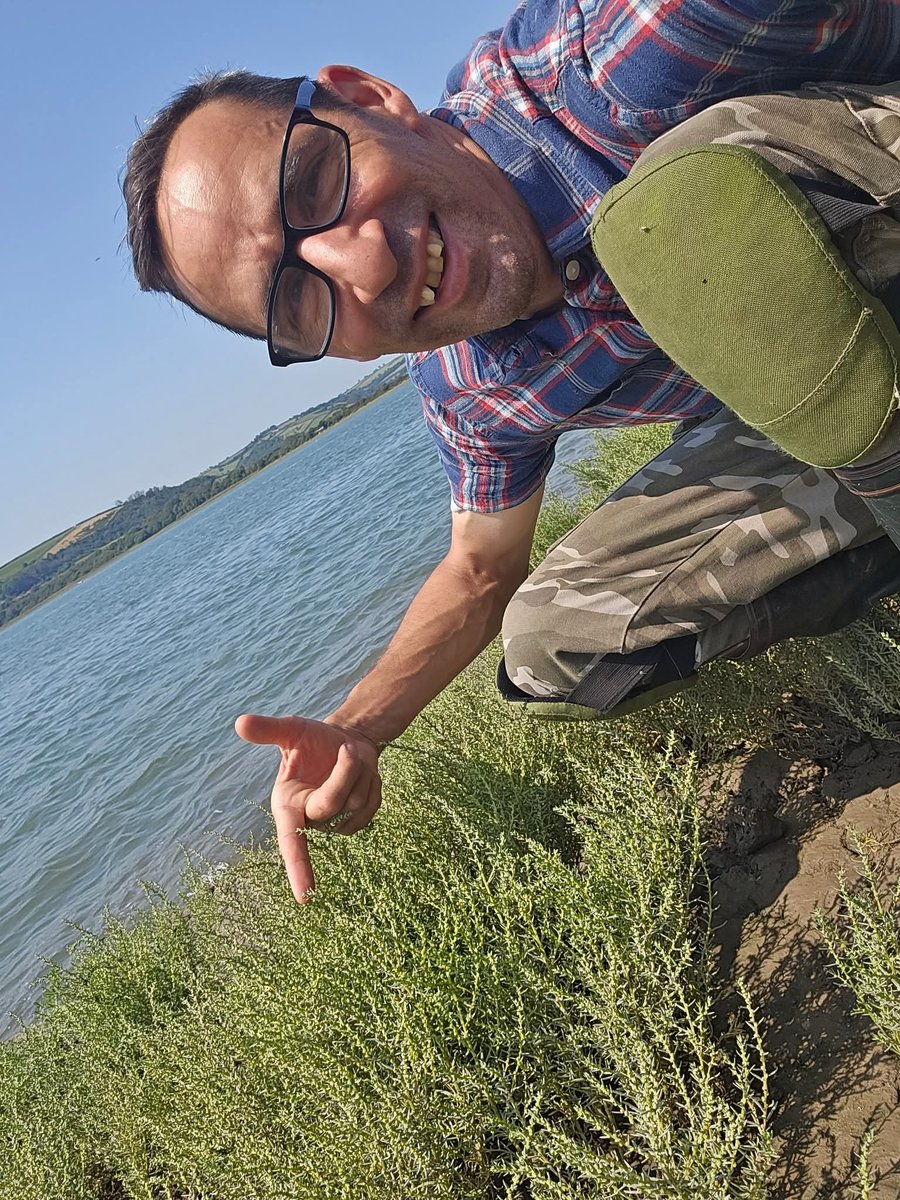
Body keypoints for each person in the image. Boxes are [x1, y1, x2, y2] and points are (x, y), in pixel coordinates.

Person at [123, 0, 900, 901]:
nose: (366, 268)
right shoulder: (470, 384)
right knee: (553, 641)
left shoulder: (630, 53)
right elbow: (481, 571)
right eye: (298, 301)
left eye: (314, 181)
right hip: (851, 390)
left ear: (370, 98)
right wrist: (359, 727)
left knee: (670, 212)